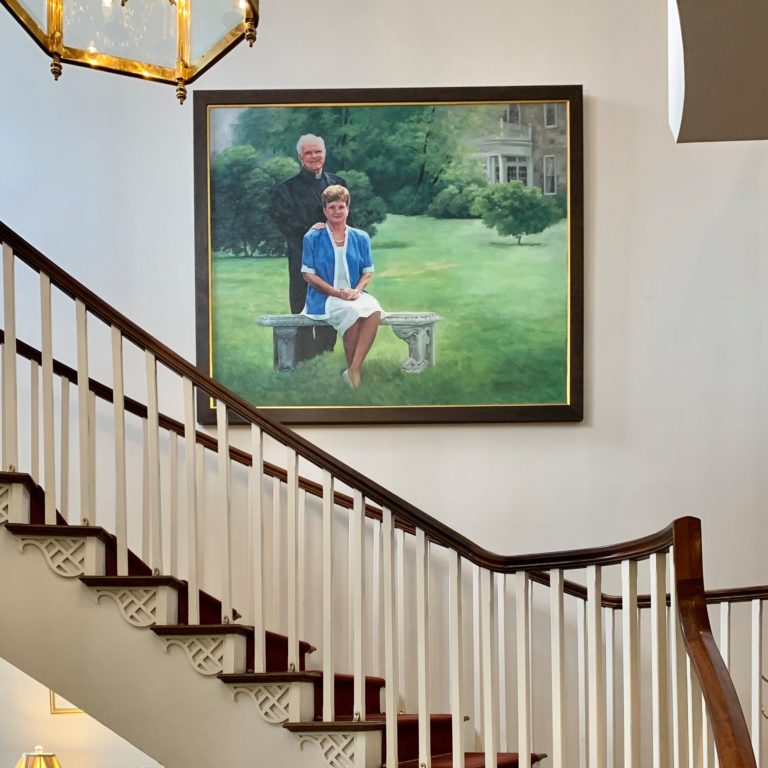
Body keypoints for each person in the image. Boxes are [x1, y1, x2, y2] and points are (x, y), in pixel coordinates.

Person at [269, 134, 346, 363]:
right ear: (300, 157)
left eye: (318, 152)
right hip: (301, 255)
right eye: (308, 153)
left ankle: (325, 352)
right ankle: (303, 355)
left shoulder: (338, 183)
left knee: (331, 300)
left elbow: (349, 217)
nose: (314, 156)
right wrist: (309, 230)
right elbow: (281, 220)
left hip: (333, 255)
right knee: (301, 302)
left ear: (325, 153)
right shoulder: (287, 189)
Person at [301, 185, 383, 389]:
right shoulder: (312, 237)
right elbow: (308, 274)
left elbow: (368, 271)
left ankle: (353, 368)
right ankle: (354, 374)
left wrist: (357, 290)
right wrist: (336, 292)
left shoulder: (360, 237)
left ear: (348, 209)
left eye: (341, 207)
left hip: (355, 293)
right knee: (352, 314)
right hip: (325, 296)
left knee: (374, 311)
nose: (336, 211)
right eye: (331, 207)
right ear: (324, 211)